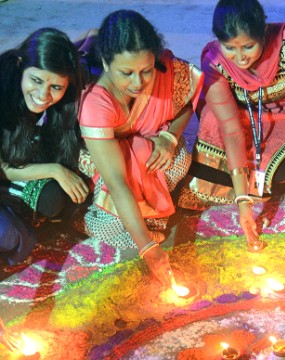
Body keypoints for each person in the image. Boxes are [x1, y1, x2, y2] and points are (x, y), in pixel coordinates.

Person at [178, 0, 285, 246]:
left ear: (263, 33)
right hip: (243, 115)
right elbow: (231, 130)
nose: (240, 58)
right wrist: (243, 203)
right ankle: (241, 187)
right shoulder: (214, 61)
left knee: (278, 174)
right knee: (211, 121)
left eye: (248, 46)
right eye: (230, 48)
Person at [77, 10, 203, 285]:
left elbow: (185, 106)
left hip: (149, 144)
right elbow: (118, 181)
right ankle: (94, 213)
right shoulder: (96, 103)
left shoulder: (164, 70)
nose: (138, 82)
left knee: (177, 158)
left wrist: (169, 138)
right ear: (107, 63)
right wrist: (147, 247)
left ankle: (149, 213)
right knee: (107, 228)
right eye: (127, 73)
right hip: (108, 160)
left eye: (146, 71)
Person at [0, 28, 87, 266]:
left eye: (56, 88)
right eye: (36, 81)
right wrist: (55, 170)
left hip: (16, 161)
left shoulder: (73, 92)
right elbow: (3, 169)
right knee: (8, 235)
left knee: (66, 196)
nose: (42, 95)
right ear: (20, 64)